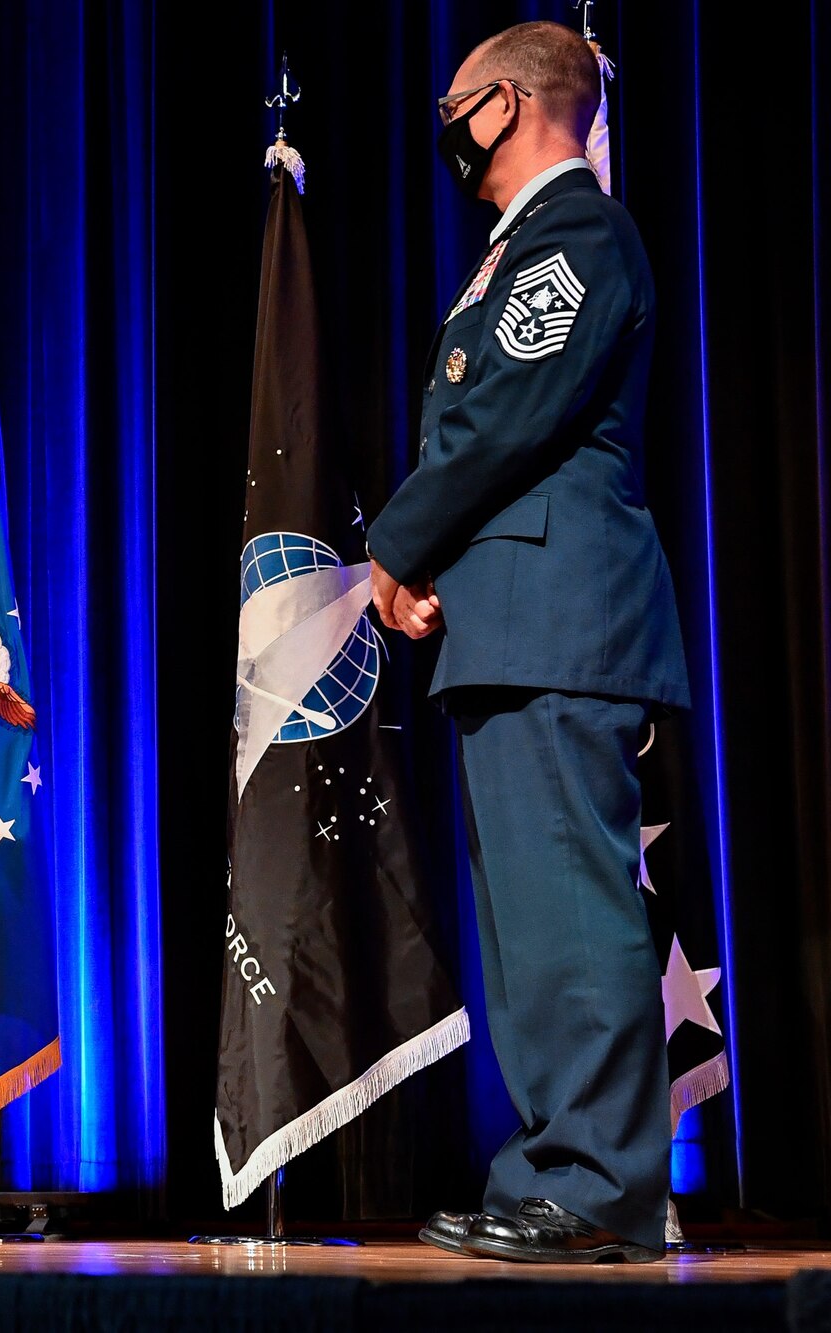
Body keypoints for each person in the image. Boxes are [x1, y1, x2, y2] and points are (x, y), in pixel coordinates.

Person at [368, 21, 692, 1264]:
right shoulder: (516, 250)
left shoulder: (575, 235)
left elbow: (502, 414)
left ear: (504, 105)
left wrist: (395, 547)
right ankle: (549, 1172)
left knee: (567, 913)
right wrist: (428, 568)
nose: (445, 130)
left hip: (563, 619)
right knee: (527, 933)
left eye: (457, 106)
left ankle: (601, 1184)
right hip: (510, 620)